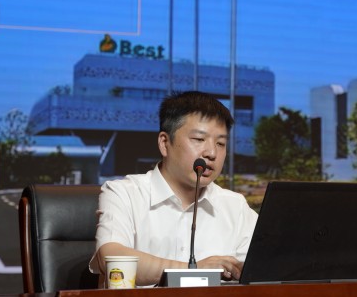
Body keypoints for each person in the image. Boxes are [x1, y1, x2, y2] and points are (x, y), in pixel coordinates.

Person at [89, 91, 258, 286]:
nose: (212, 153)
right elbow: (112, 258)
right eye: (199, 139)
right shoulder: (124, 193)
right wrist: (194, 270)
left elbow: (262, 270)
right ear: (164, 143)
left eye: (221, 143)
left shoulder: (235, 206)